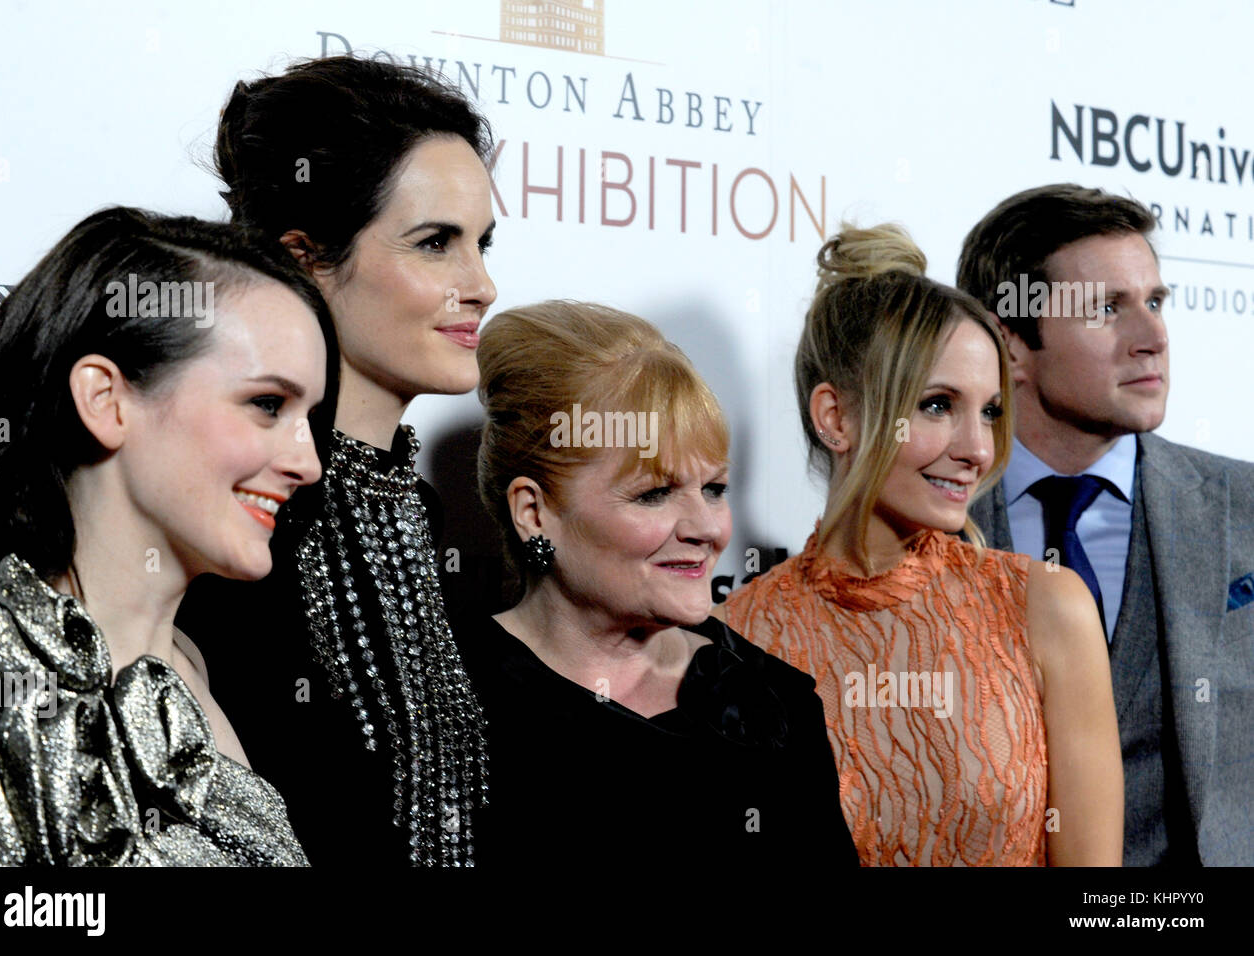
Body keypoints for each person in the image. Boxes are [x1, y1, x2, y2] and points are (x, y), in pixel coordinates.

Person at [176, 55, 497, 866]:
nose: (483, 285)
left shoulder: (438, 531)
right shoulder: (232, 529)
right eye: (436, 244)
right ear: (305, 258)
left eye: (483, 245)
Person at [717, 224, 1122, 866]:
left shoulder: (1046, 610)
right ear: (836, 418)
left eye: (989, 411)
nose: (978, 450)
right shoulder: (735, 640)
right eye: (938, 406)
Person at [0, 207, 337, 865]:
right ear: (106, 400)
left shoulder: (213, 690)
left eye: (310, 416)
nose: (308, 463)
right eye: (268, 405)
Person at [462, 300, 858, 865]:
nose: (708, 529)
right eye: (654, 494)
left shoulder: (773, 705)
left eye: (715, 489)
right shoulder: (443, 703)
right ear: (534, 512)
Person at [957, 183, 1254, 866]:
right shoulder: (933, 525)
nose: (1152, 338)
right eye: (1107, 310)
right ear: (1012, 345)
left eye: (1154, 302)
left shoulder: (1245, 507)